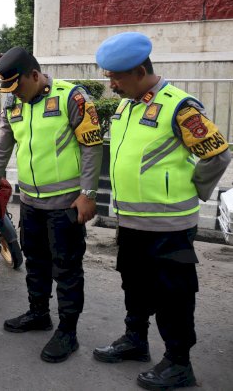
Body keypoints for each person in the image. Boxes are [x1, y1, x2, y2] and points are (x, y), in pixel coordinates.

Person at [92, 32, 231, 390]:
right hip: (134, 221)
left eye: (116, 77)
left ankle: (178, 362)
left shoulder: (180, 106)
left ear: (139, 71)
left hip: (169, 224)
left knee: (174, 295)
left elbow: (217, 154)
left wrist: (194, 189)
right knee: (134, 285)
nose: (112, 85)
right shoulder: (127, 105)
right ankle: (135, 340)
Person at [0, 47, 103, 363]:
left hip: (65, 204)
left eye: (18, 86)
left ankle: (68, 332)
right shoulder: (14, 102)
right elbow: (1, 149)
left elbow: (92, 145)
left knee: (67, 268)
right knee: (36, 260)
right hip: (30, 200)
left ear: (34, 75)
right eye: (9, 89)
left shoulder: (72, 97)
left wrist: (88, 194)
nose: (14, 94)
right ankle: (39, 312)